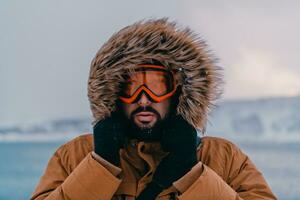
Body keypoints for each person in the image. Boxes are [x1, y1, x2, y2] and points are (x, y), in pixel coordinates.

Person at [31, 18, 276, 200]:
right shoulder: (75, 156)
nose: (144, 99)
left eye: (158, 86)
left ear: (178, 91)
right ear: (114, 93)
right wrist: (100, 167)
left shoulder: (223, 158)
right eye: (131, 87)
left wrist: (192, 174)